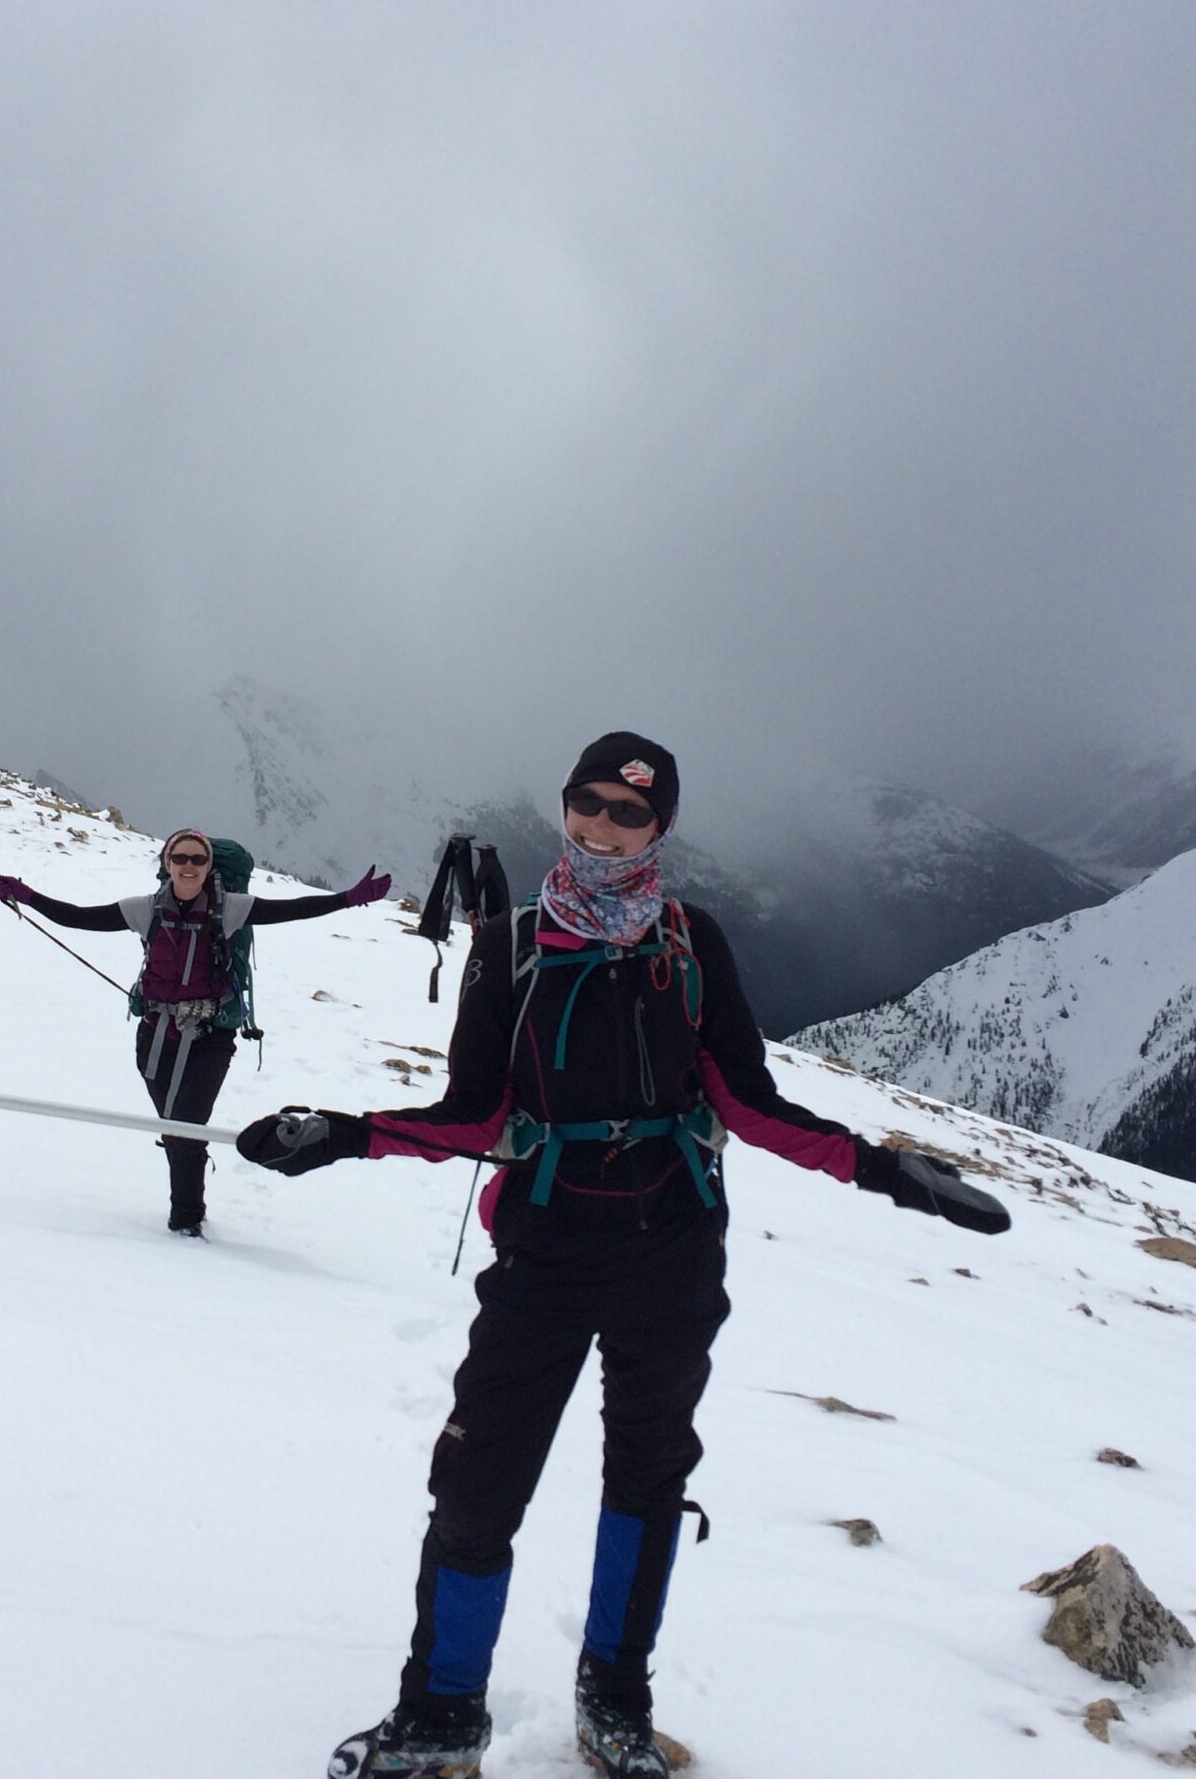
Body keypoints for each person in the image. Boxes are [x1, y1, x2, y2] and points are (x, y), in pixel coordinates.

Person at [235, 734, 1008, 1779]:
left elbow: (747, 1103)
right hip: (547, 1251)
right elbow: (473, 1116)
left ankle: (615, 1705)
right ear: (565, 807)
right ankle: (440, 1713)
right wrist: (337, 1133)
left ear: (661, 828)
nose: (601, 826)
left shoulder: (693, 945)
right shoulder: (509, 945)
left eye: (628, 813)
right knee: (477, 1481)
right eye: (586, 803)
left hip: (671, 1250)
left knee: (646, 1480)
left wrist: (885, 1170)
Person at [0, 831, 392, 1237]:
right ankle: (187, 1205)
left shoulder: (231, 909)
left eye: (198, 859)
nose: (188, 866)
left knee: (187, 1127)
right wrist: (26, 895)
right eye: (180, 857)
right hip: (154, 1033)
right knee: (174, 1127)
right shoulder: (145, 909)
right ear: (167, 864)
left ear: (208, 866)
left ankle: (186, 1220)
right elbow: (78, 916)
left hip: (210, 1038)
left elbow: (293, 909)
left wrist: (348, 898)